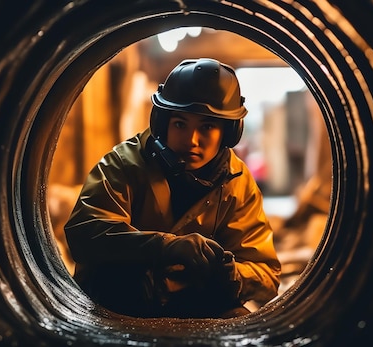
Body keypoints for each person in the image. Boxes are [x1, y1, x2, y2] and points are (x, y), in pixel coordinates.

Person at [64, 58, 281, 318]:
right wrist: (165, 247)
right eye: (180, 124)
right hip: (117, 304)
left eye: (207, 126)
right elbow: (85, 236)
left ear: (229, 132)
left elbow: (266, 276)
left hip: (194, 305)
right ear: (161, 122)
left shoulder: (237, 183)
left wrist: (233, 275)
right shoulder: (124, 164)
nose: (191, 140)